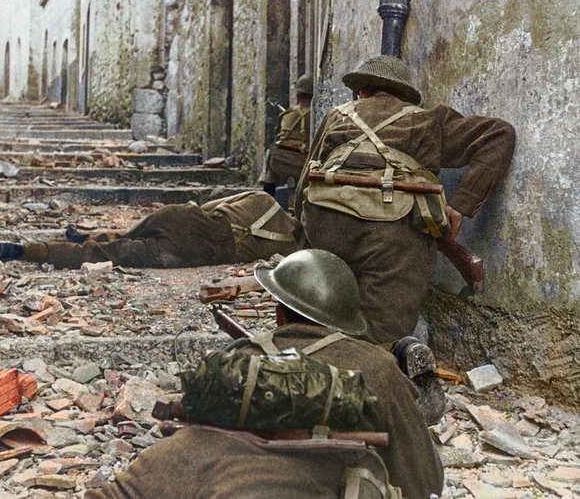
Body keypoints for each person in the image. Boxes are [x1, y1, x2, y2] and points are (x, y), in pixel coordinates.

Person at [84, 250, 444, 499]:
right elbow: (424, 482)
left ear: (279, 314)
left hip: (163, 471)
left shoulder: (237, 362)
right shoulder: (376, 367)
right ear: (345, 322)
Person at [295, 55, 515, 347]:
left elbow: (305, 180)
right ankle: (373, 367)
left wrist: (301, 233)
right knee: (381, 330)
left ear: (362, 91)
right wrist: (460, 205)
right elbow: (499, 134)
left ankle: (314, 358)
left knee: (319, 311)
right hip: (390, 234)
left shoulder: (337, 116)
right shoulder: (425, 120)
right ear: (404, 95)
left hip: (324, 221)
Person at [0, 191, 304, 269]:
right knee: (110, 255)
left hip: (185, 219)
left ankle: (87, 235)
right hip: (195, 253)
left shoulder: (263, 200)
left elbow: (206, 206)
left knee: (126, 236)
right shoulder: (288, 254)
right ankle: (20, 251)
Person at [259, 73, 313, 198]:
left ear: (298, 96)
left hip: (281, 159)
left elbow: (278, 136)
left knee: (270, 154)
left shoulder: (287, 114)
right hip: (304, 158)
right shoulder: (316, 114)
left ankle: (267, 194)